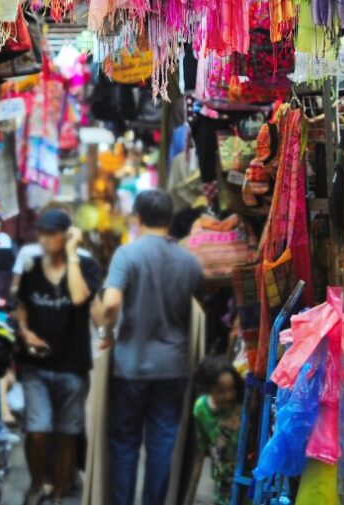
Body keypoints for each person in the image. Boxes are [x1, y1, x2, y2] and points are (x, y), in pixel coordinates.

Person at [95, 189, 204, 505]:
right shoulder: (189, 261)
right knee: (162, 444)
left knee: (125, 443)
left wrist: (106, 329)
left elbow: (112, 301)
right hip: (173, 367)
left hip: (131, 365)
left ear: (138, 218)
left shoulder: (127, 255)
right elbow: (197, 311)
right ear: (170, 220)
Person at [16, 208, 103, 505]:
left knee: (68, 433)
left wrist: (72, 254)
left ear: (65, 235)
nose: (44, 239)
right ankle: (38, 484)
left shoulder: (86, 267)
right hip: (36, 365)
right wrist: (26, 333)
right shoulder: (32, 267)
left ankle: (60, 491)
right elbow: (23, 307)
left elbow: (79, 297)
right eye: (41, 233)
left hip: (72, 364)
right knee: (38, 429)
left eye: (51, 233)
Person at [188, 357, 242, 505]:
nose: (228, 395)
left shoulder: (241, 407)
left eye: (232, 389)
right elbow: (200, 453)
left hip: (243, 477)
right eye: (221, 391)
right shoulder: (201, 410)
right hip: (222, 482)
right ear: (209, 388)